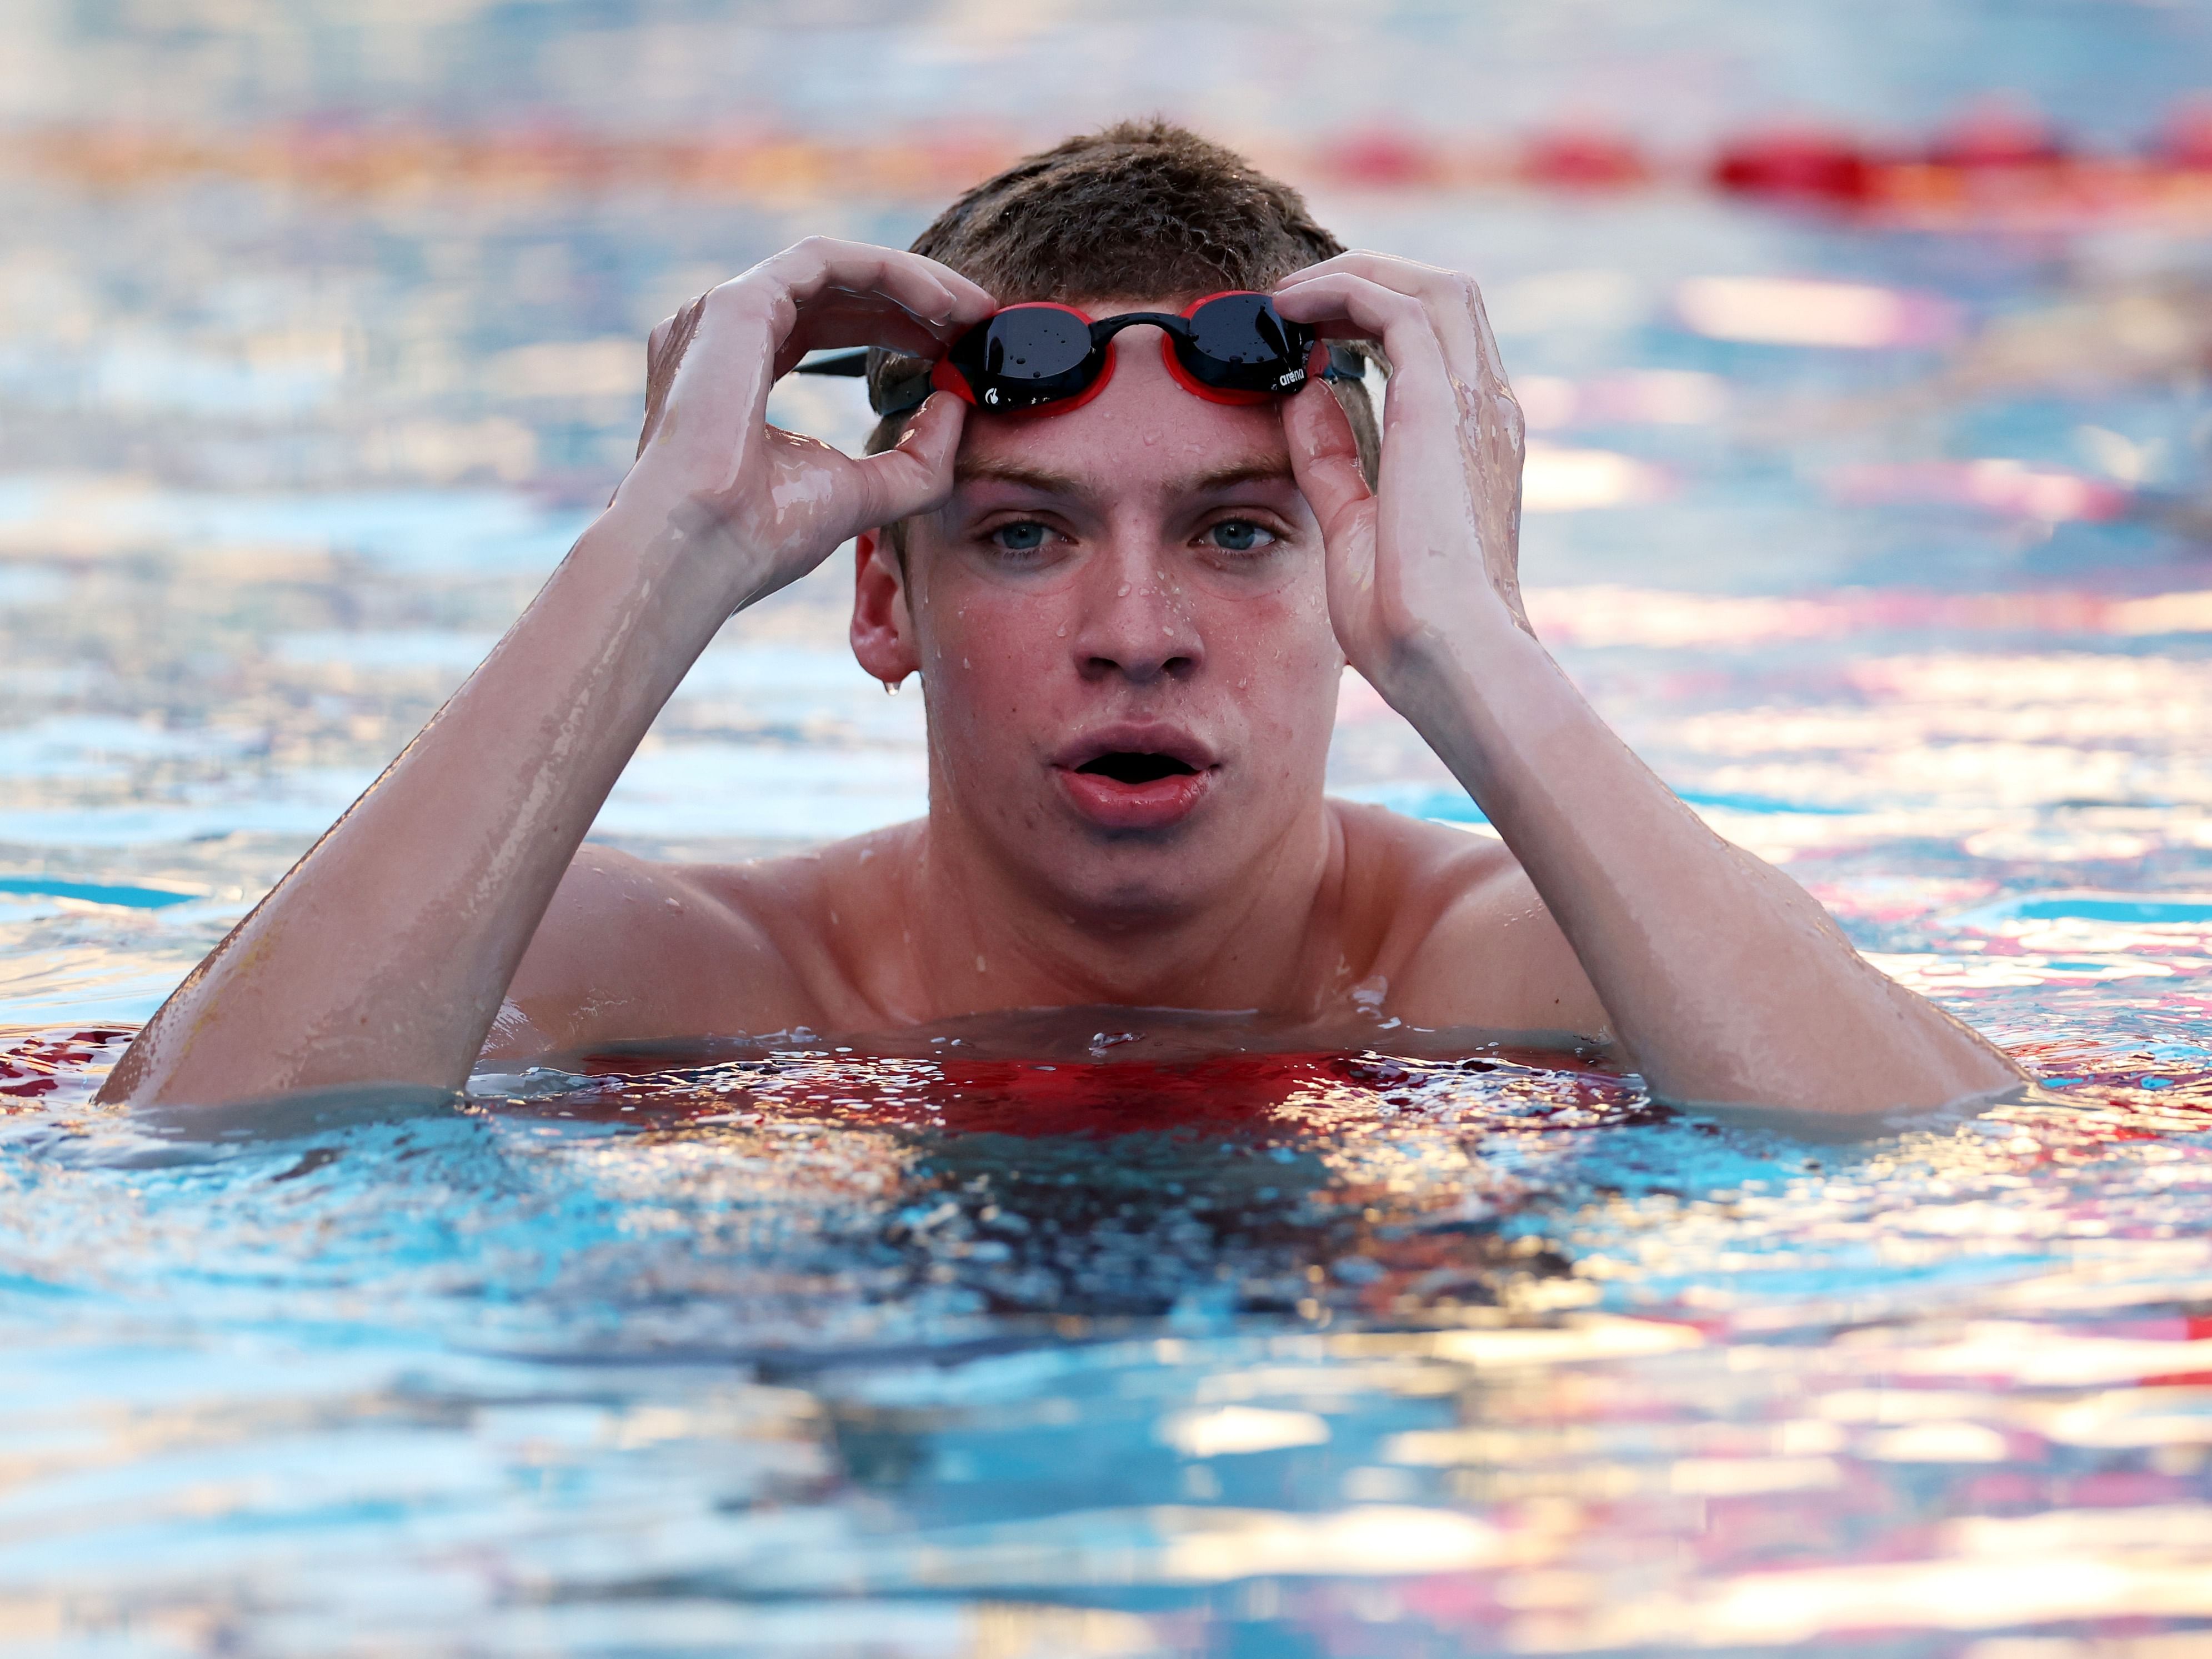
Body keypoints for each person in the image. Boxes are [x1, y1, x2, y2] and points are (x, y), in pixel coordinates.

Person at [97, 122, 2024, 1116]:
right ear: (884, 591)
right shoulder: (683, 975)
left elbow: (1920, 1159)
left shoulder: (1512, 960)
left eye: (1243, 534)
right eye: (1023, 539)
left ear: (1363, 575)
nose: (1136, 630)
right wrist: (655, 554)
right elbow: (202, 1153)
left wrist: (1474, 647)